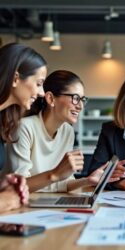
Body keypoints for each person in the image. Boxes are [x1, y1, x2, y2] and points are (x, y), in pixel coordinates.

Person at [4, 70, 125, 193]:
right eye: (75, 98)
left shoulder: (68, 131)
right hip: (19, 206)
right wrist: (54, 175)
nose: (80, 106)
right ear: (51, 99)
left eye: (82, 99)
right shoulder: (24, 128)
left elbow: (63, 183)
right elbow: (18, 186)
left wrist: (88, 180)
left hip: (45, 203)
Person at [0, 43, 47, 212]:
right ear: (15, 78)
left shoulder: (3, 122)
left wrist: (3, 184)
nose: (42, 93)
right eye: (39, 83)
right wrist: (4, 201)